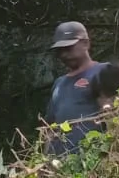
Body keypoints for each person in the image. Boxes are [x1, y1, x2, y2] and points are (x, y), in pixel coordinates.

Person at [43, 20, 105, 153]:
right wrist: (44, 164)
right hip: (61, 168)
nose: (64, 55)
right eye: (59, 51)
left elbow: (118, 116)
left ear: (86, 43)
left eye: (68, 48)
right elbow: (50, 128)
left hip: (93, 163)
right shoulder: (59, 84)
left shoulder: (104, 72)